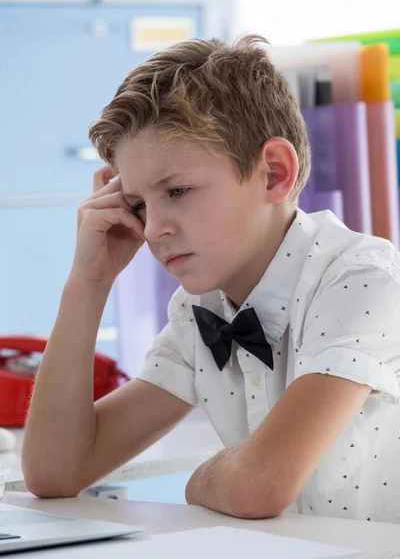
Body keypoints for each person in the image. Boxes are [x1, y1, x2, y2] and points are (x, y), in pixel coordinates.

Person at [22, 35, 400, 524]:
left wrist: (200, 481)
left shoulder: (363, 278)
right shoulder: (198, 311)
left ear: (273, 174)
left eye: (177, 191)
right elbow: (55, 473)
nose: (153, 227)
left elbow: (258, 487)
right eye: (138, 205)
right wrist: (88, 283)